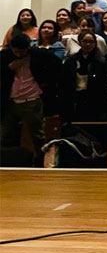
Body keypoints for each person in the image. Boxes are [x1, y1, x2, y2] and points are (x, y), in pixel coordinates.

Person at [0, 33, 62, 166]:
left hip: (32, 99)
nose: (19, 53)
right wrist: (10, 68)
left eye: (22, 51)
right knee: (6, 134)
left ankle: (39, 162)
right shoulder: (4, 56)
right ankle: (6, 162)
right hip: (9, 101)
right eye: (16, 51)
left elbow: (58, 66)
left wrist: (46, 82)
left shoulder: (38, 54)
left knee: (38, 135)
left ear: (28, 48)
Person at [60, 31, 107, 122]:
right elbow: (64, 83)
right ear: (79, 42)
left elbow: (104, 85)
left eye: (91, 41)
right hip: (74, 100)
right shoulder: (71, 60)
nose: (88, 44)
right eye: (85, 41)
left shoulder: (101, 62)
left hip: (93, 100)